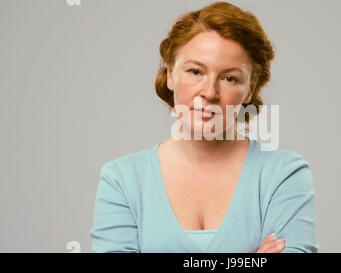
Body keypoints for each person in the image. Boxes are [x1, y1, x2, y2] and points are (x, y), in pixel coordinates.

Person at [89, 1, 319, 253]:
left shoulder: (283, 175)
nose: (209, 93)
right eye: (195, 71)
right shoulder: (122, 180)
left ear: (250, 90)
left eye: (229, 78)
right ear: (170, 75)